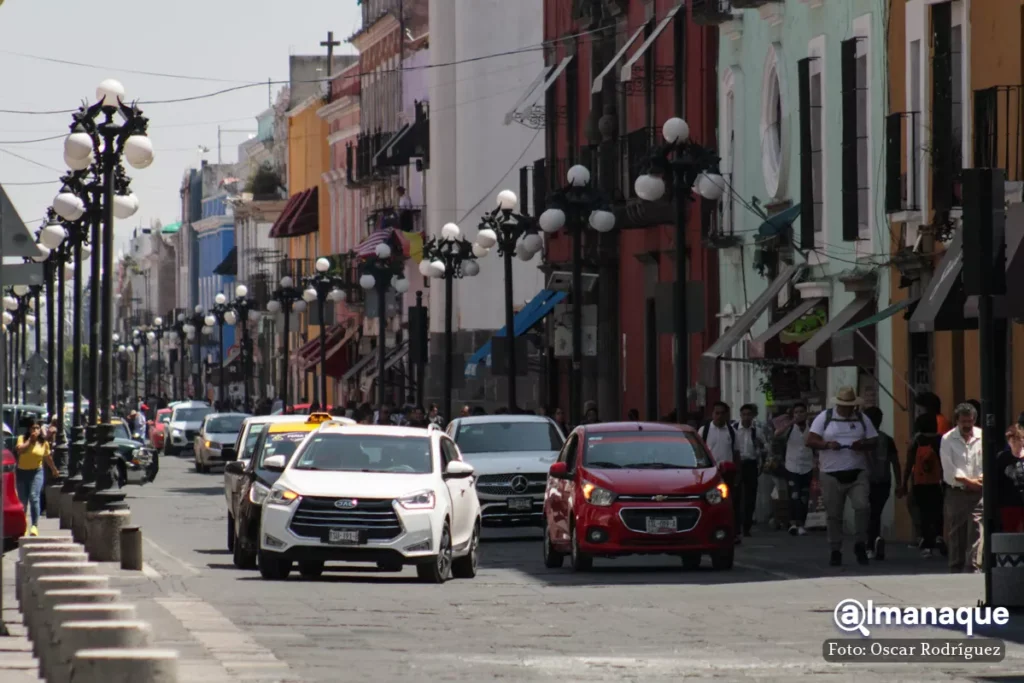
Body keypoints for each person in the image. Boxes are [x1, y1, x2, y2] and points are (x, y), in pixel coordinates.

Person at [806, 387, 877, 566]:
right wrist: (827, 444)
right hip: (831, 473)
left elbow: (874, 440)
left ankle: (860, 543)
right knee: (834, 514)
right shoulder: (825, 417)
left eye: (850, 406)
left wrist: (862, 444)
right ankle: (835, 549)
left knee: (863, 507)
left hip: (857, 471)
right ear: (838, 404)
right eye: (844, 406)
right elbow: (810, 440)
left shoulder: (861, 418)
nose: (847, 410)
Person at [939, 402, 983, 573]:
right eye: (963, 421)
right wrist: (968, 482)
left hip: (978, 489)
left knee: (977, 529)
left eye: (970, 421)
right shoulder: (947, 439)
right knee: (957, 529)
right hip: (956, 491)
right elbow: (949, 469)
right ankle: (955, 566)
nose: (967, 425)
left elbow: (986, 463)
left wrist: (980, 480)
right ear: (957, 421)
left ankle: (973, 566)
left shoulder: (981, 436)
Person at [900, 413, 946, 558]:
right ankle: (939, 535)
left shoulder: (917, 440)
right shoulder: (940, 440)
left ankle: (927, 545)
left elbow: (909, 464)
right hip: (938, 481)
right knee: (938, 511)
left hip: (920, 482)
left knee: (924, 513)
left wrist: (904, 482)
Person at [862, 406, 901, 560]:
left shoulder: (860, 439)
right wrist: (899, 483)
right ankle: (874, 539)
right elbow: (895, 462)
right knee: (876, 512)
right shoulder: (887, 439)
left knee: (868, 512)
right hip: (884, 481)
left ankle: (870, 543)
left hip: (865, 481)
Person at [700, 402, 740, 542]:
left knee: (729, 504)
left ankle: (732, 532)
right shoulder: (703, 431)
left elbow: (736, 453)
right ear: (712, 414)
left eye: (722, 413)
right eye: (717, 413)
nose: (719, 416)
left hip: (728, 473)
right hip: (709, 475)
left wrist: (737, 473)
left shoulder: (732, 432)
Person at [15, 418, 60, 536]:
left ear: (40, 430)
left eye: (37, 428)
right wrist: (30, 440)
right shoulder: (22, 439)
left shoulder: (43, 443)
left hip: (37, 472)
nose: (35, 430)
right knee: (23, 501)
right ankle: (23, 525)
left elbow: (48, 458)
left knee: (34, 497)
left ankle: (34, 525)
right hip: (22, 472)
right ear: (29, 430)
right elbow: (20, 450)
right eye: (33, 428)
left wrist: (54, 469)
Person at [776, 402, 814, 536]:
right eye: (796, 412)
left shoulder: (811, 427)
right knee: (794, 495)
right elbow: (777, 433)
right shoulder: (790, 428)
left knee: (804, 497)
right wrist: (790, 422)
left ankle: (802, 524)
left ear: (806, 413)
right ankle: (792, 523)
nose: (799, 415)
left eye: (801, 412)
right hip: (792, 466)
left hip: (807, 466)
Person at [735, 404, 767, 537]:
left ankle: (747, 526)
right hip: (737, 464)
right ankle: (736, 525)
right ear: (740, 415)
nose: (747, 417)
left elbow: (765, 448)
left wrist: (762, 462)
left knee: (750, 496)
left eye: (749, 414)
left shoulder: (757, 431)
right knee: (736, 495)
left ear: (753, 416)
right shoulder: (734, 429)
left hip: (751, 464)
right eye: (744, 414)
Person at [996, 424, 1024, 533]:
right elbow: (997, 482)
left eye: (1018, 438)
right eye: (1011, 439)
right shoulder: (1002, 458)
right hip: (1009, 504)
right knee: (1011, 535)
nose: (1015, 442)